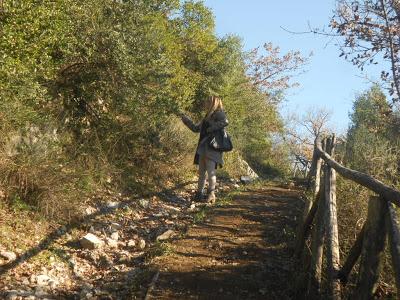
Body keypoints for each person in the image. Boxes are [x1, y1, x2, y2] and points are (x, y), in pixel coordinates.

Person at [180, 96, 229, 203]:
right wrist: (185, 119)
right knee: (201, 172)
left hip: (212, 148)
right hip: (203, 148)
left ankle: (211, 194)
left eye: (207, 101)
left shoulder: (219, 113)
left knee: (211, 172)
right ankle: (199, 194)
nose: (205, 103)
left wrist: (210, 128)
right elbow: (196, 129)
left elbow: (225, 122)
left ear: (213, 103)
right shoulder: (207, 116)